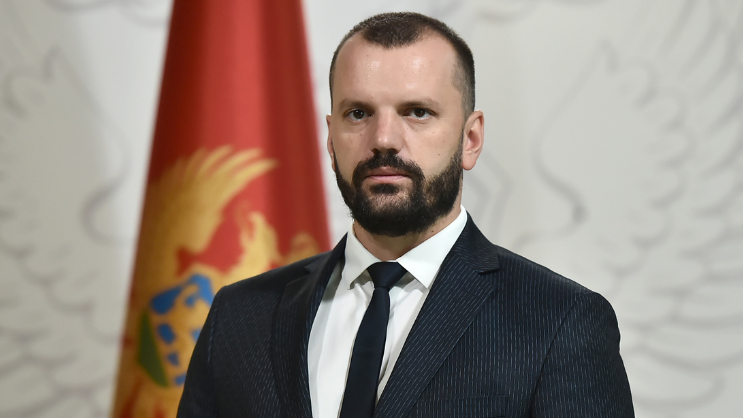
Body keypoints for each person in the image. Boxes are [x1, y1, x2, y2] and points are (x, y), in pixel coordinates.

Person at [177, 12, 634, 418]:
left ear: (470, 139)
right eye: (358, 113)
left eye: (417, 112)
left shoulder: (560, 322)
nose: (383, 139)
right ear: (331, 139)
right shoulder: (238, 317)